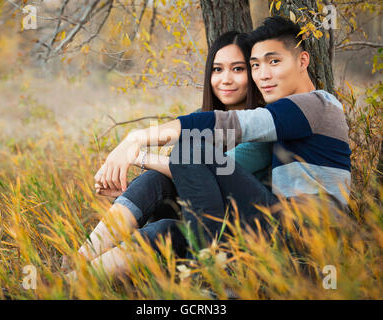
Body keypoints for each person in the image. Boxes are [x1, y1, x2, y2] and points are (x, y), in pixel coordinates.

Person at [93, 16, 351, 258]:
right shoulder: (290, 113)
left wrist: (137, 141)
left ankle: (208, 266)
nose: (263, 74)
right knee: (165, 225)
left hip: (307, 239)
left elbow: (232, 125)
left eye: (274, 62)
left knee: (190, 151)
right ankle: (76, 273)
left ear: (302, 61)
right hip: (280, 228)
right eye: (256, 65)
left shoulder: (315, 104)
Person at [64, 31, 273, 280]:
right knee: (152, 182)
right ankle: (77, 266)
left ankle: (72, 284)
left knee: (162, 210)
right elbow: (185, 179)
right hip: (196, 224)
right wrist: (130, 189)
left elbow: (210, 171)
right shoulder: (200, 118)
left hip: (236, 236)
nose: (225, 79)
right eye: (217, 70)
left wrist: (136, 156)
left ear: (253, 73)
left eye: (237, 69)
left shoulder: (263, 124)